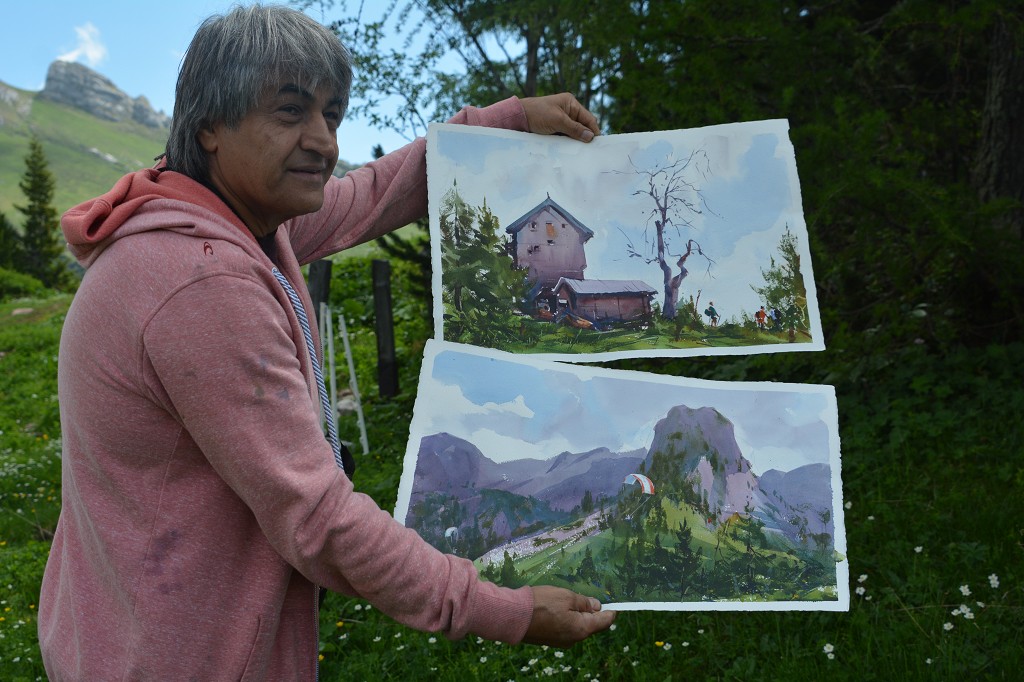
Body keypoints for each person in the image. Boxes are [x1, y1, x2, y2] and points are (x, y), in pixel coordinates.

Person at [37, 5, 612, 680]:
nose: (323, 141)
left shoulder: (238, 221)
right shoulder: (202, 281)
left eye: (332, 115)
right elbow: (317, 517)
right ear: (210, 126)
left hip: (135, 630)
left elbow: (374, 193)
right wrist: (501, 607)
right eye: (290, 111)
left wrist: (504, 123)